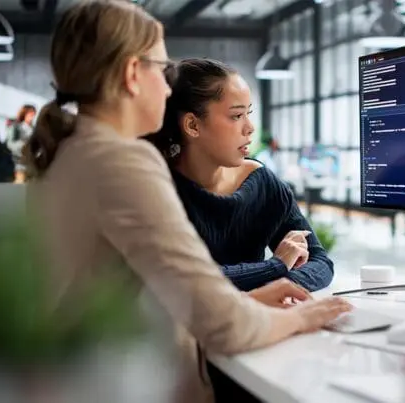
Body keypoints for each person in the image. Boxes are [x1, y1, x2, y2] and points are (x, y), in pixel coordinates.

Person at [20, 2, 351, 403]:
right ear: (131, 74)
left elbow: (156, 294)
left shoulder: (77, 152)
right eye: (161, 69)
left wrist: (241, 298)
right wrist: (302, 316)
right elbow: (222, 323)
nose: (167, 85)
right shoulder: (123, 162)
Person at [143, 58, 334, 293]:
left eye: (249, 113)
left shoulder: (263, 183)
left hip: (254, 323)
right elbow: (182, 280)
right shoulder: (156, 190)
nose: (250, 128)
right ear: (192, 125)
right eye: (236, 116)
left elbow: (320, 262)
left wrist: (282, 288)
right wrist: (276, 266)